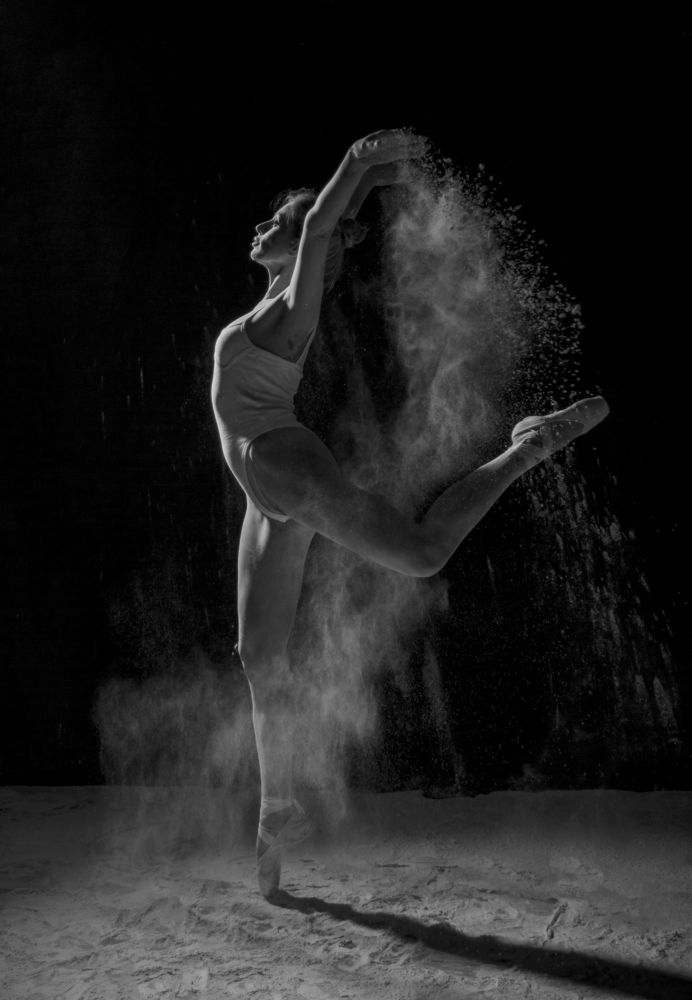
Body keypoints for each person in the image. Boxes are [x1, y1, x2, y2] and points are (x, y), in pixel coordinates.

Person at [211, 129, 609, 898]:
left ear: (307, 242)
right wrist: (368, 182)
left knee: (423, 554)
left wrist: (359, 164)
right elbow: (323, 222)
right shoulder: (271, 301)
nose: (260, 227)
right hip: (266, 496)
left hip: (288, 472)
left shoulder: (293, 308)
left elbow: (321, 225)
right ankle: (275, 808)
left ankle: (526, 449)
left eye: (278, 222)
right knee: (258, 657)